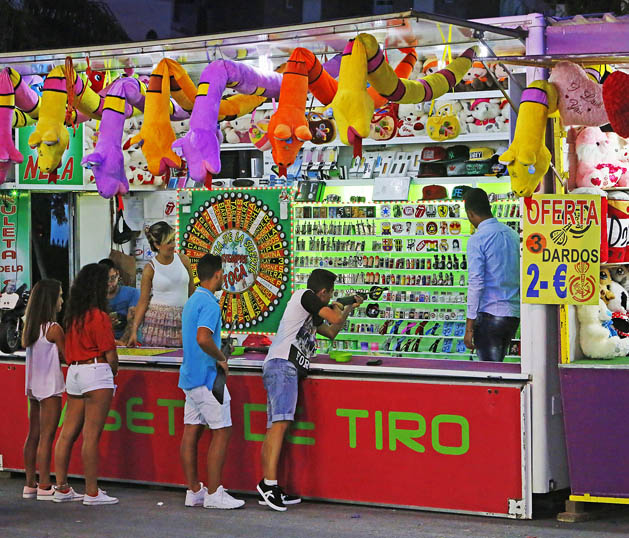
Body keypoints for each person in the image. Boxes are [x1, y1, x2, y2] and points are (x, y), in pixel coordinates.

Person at [257, 269, 363, 511]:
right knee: (279, 425)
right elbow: (332, 318)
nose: (330, 299)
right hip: (283, 365)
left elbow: (331, 331)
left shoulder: (311, 310)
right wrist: (339, 306)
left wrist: (348, 308)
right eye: (330, 295)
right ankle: (269, 485)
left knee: (276, 427)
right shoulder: (304, 296)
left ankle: (269, 485)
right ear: (323, 292)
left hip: (284, 368)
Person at [179, 254, 245, 510]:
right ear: (218, 274)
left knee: (191, 432)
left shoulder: (192, 300)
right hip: (207, 379)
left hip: (189, 377)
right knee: (222, 430)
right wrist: (221, 359)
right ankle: (215, 493)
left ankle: (194, 489)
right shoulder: (209, 303)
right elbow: (203, 338)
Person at [53, 263, 119, 505]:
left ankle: (61, 487)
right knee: (91, 436)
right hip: (96, 370)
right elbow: (110, 355)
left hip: (74, 373)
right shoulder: (99, 316)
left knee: (67, 434)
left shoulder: (73, 317)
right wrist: (113, 374)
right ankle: (92, 492)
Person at [463, 188, 520, 362]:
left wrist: (469, 327)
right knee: (498, 368)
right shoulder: (512, 235)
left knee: (490, 374)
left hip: (490, 315)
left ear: (470, 213)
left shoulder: (477, 239)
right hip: (513, 314)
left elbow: (476, 283)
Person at [22, 279, 65, 501]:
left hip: (33, 386)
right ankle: (46, 485)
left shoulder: (29, 328)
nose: (62, 300)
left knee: (34, 435)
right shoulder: (54, 329)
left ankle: (30, 483)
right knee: (48, 436)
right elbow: (67, 356)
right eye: (59, 295)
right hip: (50, 387)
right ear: (50, 300)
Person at [127, 221, 195, 347]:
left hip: (184, 320)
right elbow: (143, 301)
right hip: (158, 323)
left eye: (173, 240)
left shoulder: (184, 260)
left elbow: (192, 293)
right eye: (168, 242)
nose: (173, 245)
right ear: (157, 245)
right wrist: (134, 331)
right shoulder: (150, 268)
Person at [98, 258, 140, 344]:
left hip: (129, 342)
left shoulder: (133, 293)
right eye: (104, 279)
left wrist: (121, 343)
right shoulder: (93, 298)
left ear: (118, 274)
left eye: (112, 278)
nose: (109, 283)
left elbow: (132, 322)